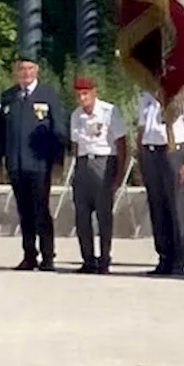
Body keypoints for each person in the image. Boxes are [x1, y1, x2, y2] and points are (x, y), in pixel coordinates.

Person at [0, 56, 67, 271]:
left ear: (37, 70)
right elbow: (2, 132)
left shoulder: (48, 94)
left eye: (30, 68)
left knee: (41, 209)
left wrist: (58, 162)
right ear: (15, 71)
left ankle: (47, 255)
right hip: (16, 163)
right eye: (21, 69)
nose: (25, 73)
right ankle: (29, 255)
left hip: (40, 164)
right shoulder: (9, 96)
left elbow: (58, 130)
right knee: (24, 211)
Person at [136, 89, 184, 276]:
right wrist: (141, 156)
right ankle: (164, 257)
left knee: (176, 206)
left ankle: (179, 259)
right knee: (157, 206)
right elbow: (141, 129)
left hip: (173, 151)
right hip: (151, 151)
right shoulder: (146, 95)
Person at [68, 76, 129, 274]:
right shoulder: (76, 115)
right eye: (78, 94)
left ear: (94, 92)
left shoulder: (108, 111)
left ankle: (104, 258)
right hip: (84, 163)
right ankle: (87, 259)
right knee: (82, 215)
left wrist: (118, 176)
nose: (82, 98)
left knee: (104, 215)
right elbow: (76, 146)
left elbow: (121, 144)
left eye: (85, 93)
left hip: (104, 162)